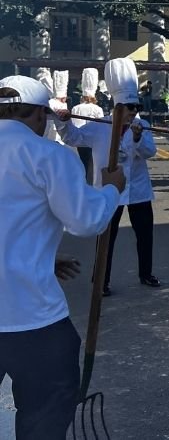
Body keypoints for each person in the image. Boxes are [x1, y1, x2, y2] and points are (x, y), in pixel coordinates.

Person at [0, 75, 126, 440]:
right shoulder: (48, 156)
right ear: (40, 115)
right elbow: (86, 220)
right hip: (31, 320)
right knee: (43, 416)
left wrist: (41, 257)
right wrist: (111, 190)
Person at [57, 59, 160, 296]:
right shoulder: (100, 126)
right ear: (117, 107)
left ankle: (146, 273)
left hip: (138, 191)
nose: (133, 112)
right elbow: (73, 138)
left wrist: (137, 138)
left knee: (145, 234)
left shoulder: (141, 125)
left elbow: (149, 152)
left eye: (135, 107)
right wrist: (64, 124)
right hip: (109, 188)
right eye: (128, 107)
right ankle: (101, 279)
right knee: (106, 237)